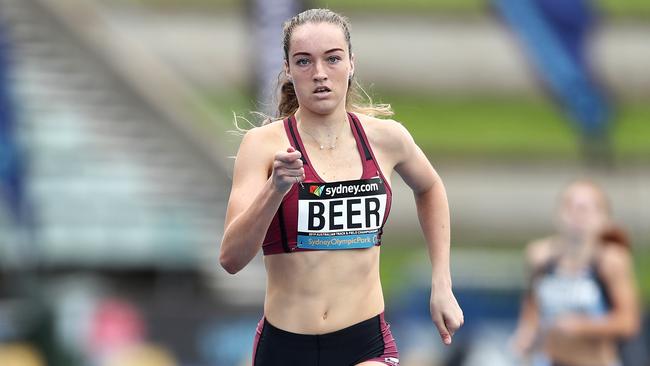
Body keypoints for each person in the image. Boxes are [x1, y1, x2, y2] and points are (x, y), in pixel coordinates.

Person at [219, 8, 463, 366]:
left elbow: (430, 188)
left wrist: (441, 281)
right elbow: (231, 258)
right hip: (285, 346)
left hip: (364, 343)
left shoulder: (386, 139)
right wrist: (275, 189)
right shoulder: (262, 146)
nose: (319, 74)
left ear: (351, 63)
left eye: (332, 59)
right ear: (287, 68)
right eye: (304, 62)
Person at [512, 180, 640, 366]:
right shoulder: (540, 256)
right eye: (571, 207)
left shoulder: (610, 261)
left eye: (586, 209)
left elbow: (628, 322)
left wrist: (582, 327)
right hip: (549, 360)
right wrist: (526, 333)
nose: (577, 216)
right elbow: (532, 303)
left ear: (603, 218)